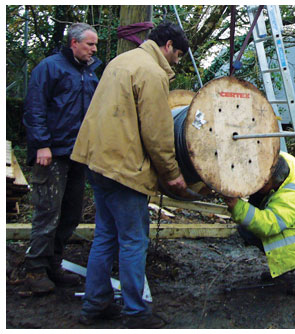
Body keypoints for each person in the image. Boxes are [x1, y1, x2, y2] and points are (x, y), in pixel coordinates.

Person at [70, 21, 189, 328]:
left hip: (97, 161)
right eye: (178, 54)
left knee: (106, 236)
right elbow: (158, 132)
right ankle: (136, 312)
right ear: (168, 47)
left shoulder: (121, 61)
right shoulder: (151, 72)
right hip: (124, 167)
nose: (178, 61)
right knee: (134, 241)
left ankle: (94, 305)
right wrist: (171, 174)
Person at [22, 23, 101, 295]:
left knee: (71, 214)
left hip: (78, 154)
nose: (94, 49)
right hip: (52, 154)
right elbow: (35, 109)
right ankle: (34, 270)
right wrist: (42, 145)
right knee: (47, 212)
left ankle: (53, 266)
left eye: (95, 45)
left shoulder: (90, 74)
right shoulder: (49, 68)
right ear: (74, 43)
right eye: (90, 44)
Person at [223, 152, 295, 296]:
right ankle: (285, 266)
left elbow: (269, 225)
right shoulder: (276, 160)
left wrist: (237, 207)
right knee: (247, 229)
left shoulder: (292, 196)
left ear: (275, 182)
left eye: (262, 182)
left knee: (269, 237)